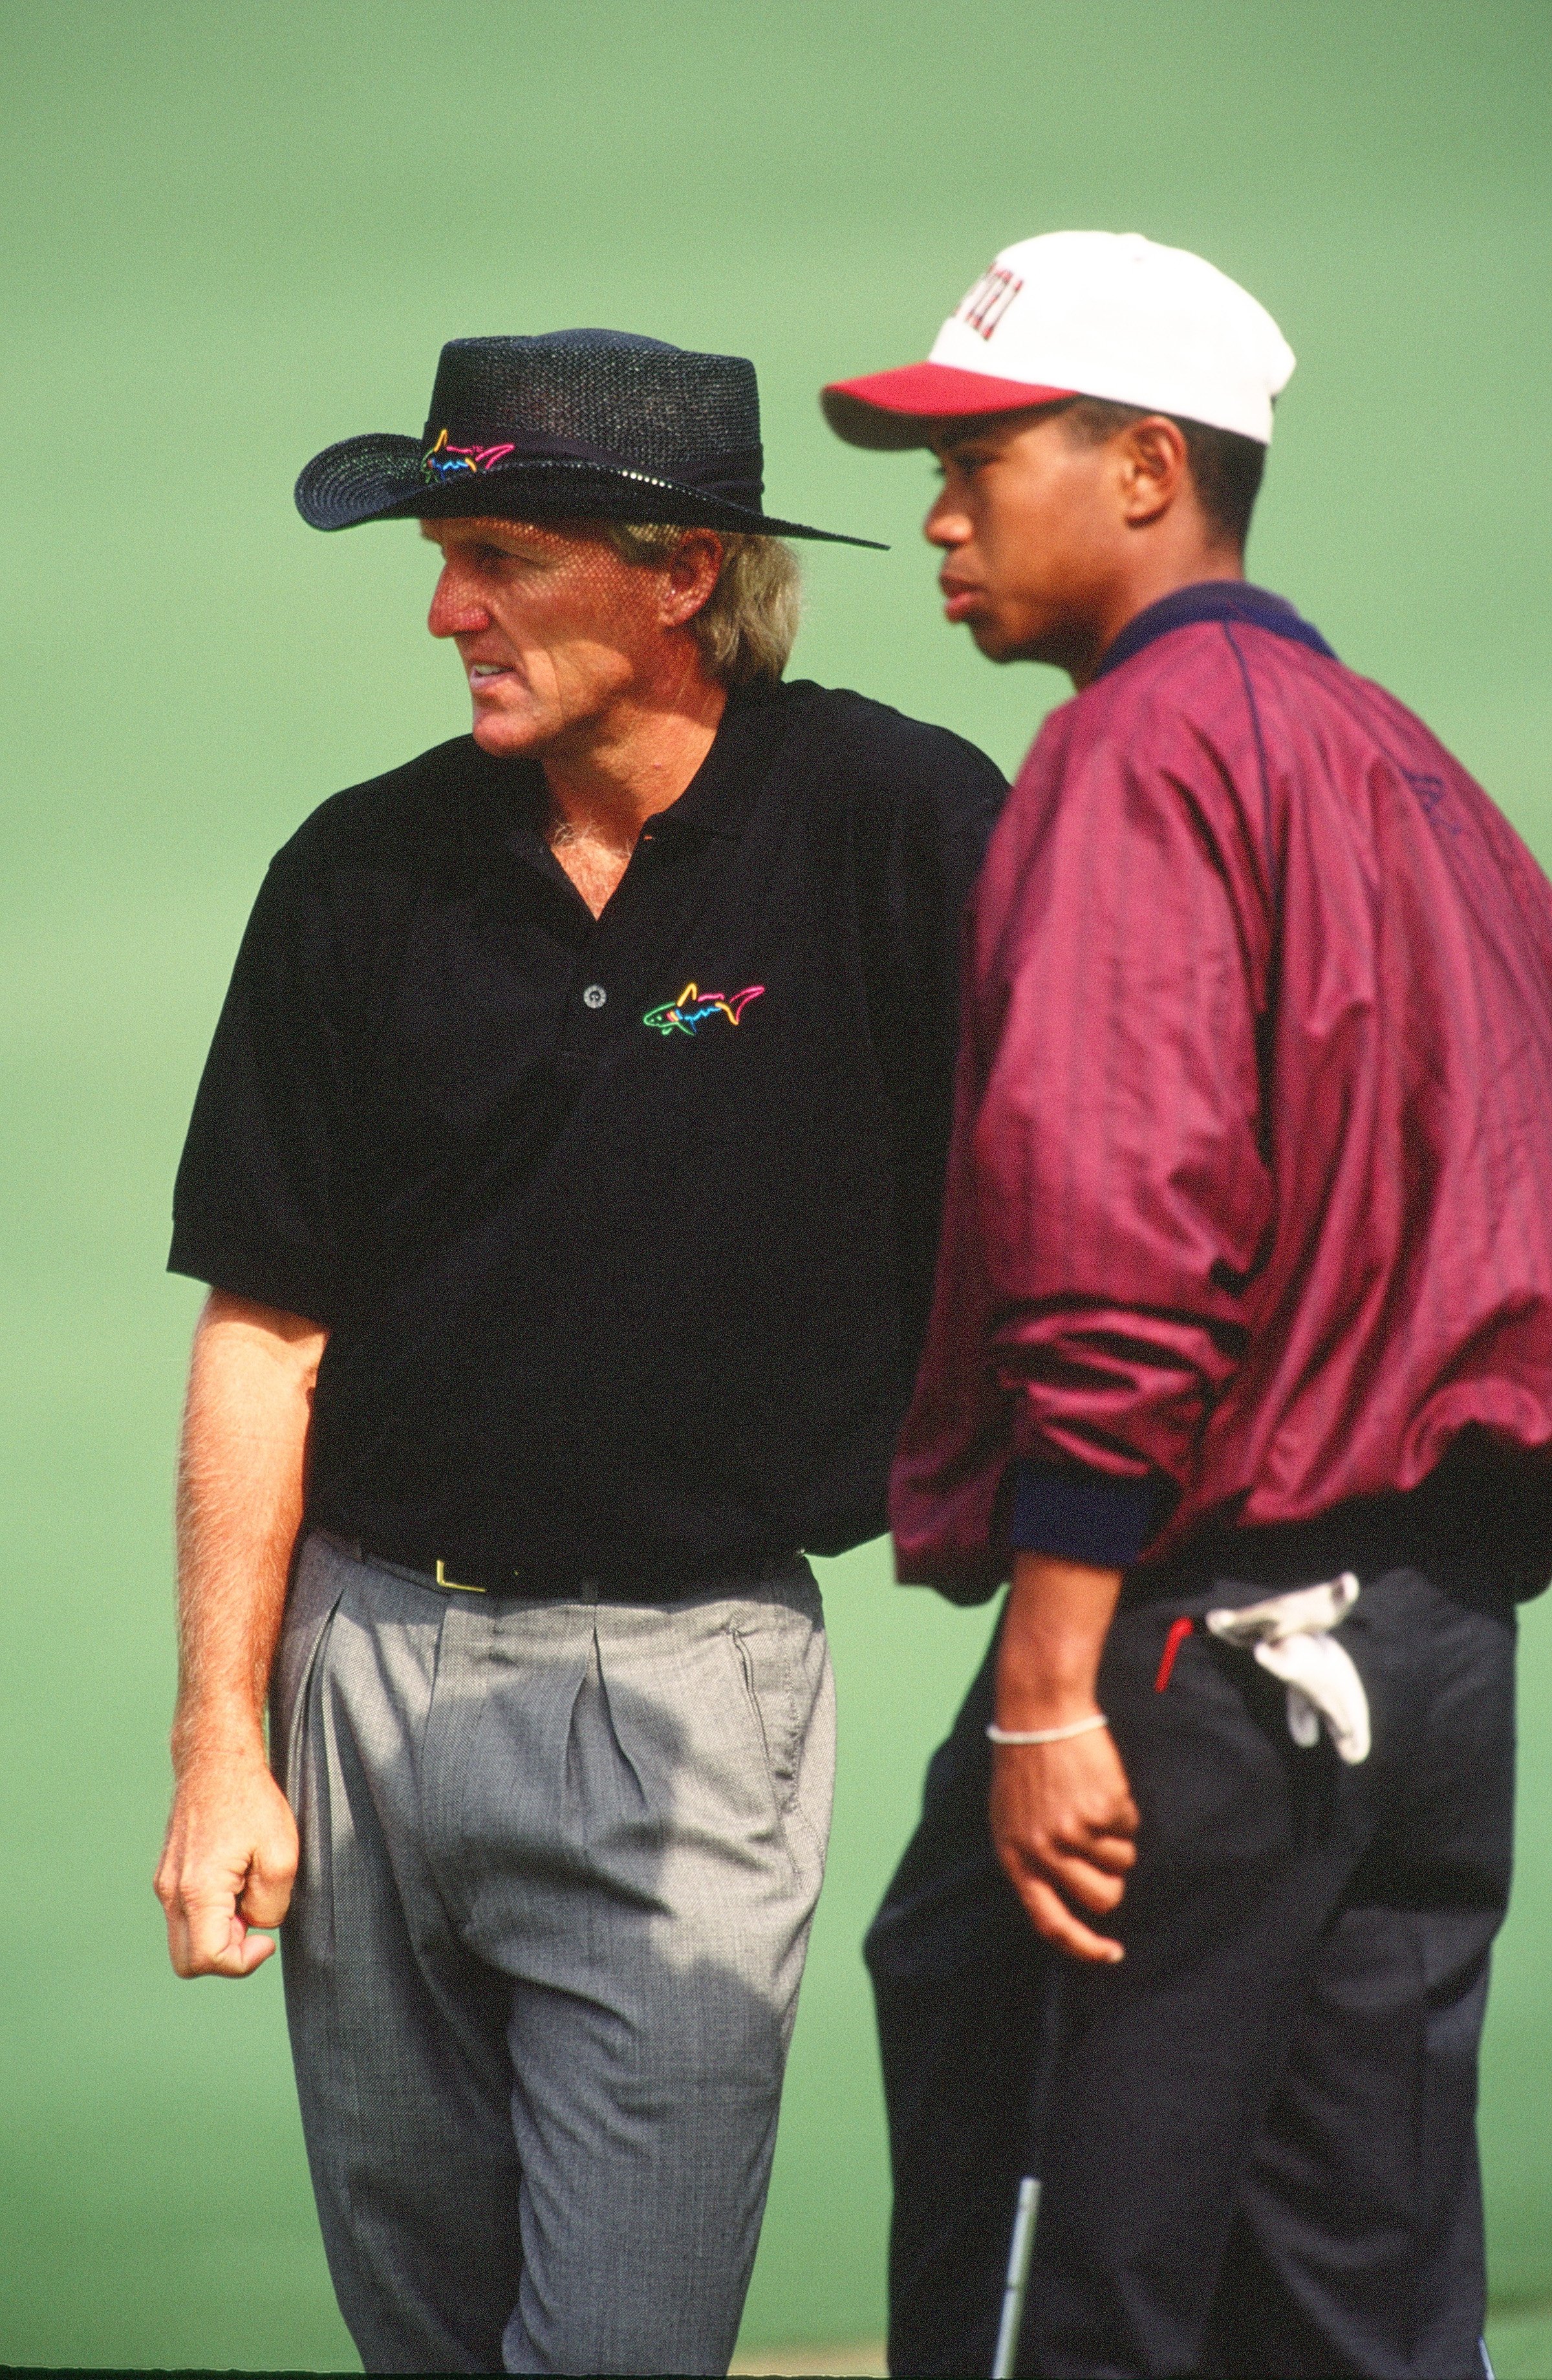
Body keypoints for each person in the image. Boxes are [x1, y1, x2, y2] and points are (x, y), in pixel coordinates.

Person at [153, 327, 1006, 2377]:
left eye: (507, 556)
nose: (450, 609)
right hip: (354, 1679)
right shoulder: (356, 871)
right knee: (429, 2344)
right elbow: (265, 1331)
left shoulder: (903, 822)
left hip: (690, 1689)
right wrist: (219, 1746)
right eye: (446, 557)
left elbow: (1086, 1196)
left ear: (682, 574)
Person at [822, 231, 1552, 2379]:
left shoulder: (1139, 754)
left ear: (1149, 465)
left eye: (980, 457)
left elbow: (1119, 1234)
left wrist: (1054, 1680)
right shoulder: (1412, 768)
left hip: (1200, 1650)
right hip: (1431, 1658)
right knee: (1356, 2305)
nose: (937, 516)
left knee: (1098, 2295)